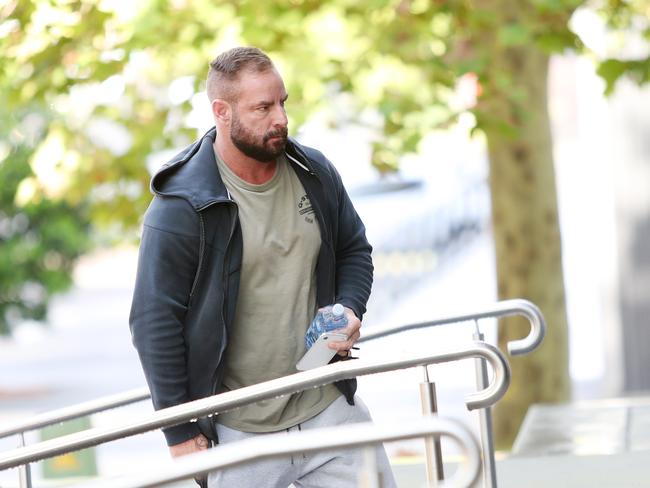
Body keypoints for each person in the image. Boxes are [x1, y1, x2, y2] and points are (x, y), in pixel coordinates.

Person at [129, 46, 396, 487]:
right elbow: (153, 321)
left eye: (282, 102)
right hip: (239, 432)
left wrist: (350, 307)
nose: (281, 118)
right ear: (223, 112)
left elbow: (353, 249)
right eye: (263, 107)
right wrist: (180, 432)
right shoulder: (179, 207)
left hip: (328, 409)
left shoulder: (313, 170)